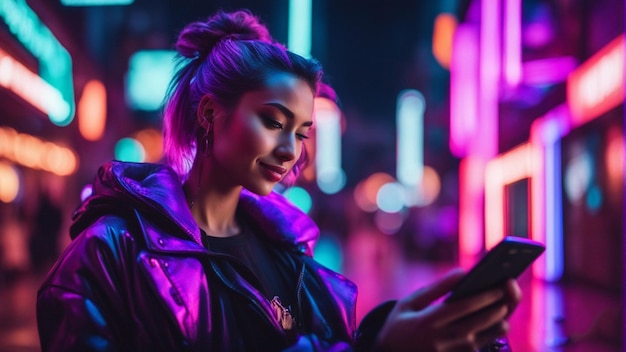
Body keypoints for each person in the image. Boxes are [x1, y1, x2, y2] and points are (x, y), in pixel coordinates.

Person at [36, 9, 521, 352]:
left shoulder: (290, 252)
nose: (291, 152)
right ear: (210, 114)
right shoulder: (108, 254)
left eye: (301, 132)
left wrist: (388, 335)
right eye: (273, 122)